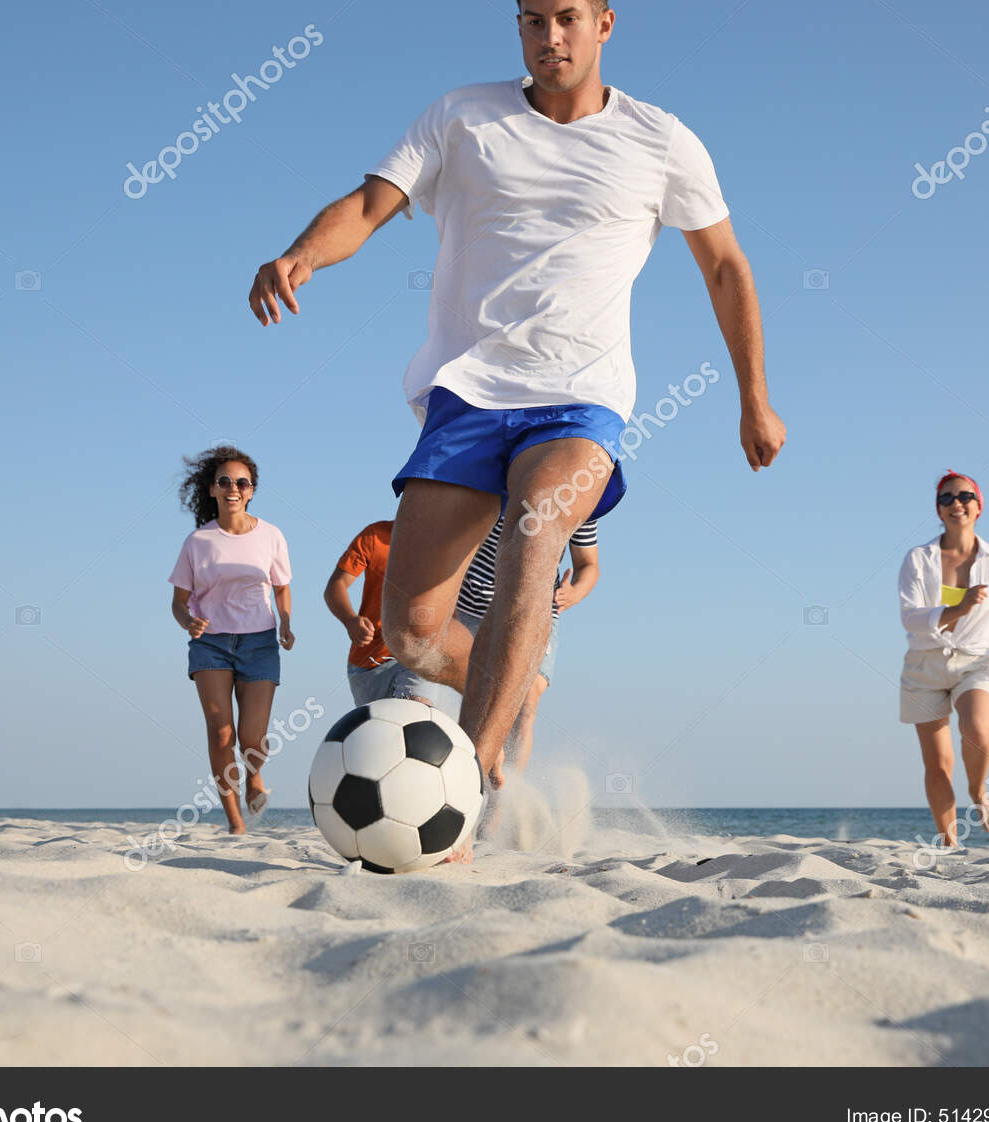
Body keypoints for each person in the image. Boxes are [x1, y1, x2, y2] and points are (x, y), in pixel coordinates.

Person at [248, 0, 785, 859]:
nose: (550, 37)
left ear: (606, 23)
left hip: (581, 398)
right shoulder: (462, 115)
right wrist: (301, 254)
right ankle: (515, 682)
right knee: (414, 629)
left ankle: (469, 764)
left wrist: (754, 398)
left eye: (568, 18)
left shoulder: (660, 139)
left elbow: (725, 266)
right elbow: (368, 203)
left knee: (538, 528)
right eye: (532, 20)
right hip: (466, 394)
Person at [898, 471, 989, 848]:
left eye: (964, 496)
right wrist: (957, 608)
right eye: (946, 499)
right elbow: (910, 617)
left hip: (976, 660)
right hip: (924, 665)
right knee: (938, 763)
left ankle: (978, 792)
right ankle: (950, 842)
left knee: (976, 731)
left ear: (979, 507)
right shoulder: (918, 558)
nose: (955, 503)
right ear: (938, 511)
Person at [168, 447, 294, 835]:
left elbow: (281, 588)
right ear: (212, 490)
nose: (233, 488)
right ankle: (235, 821)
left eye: (241, 482)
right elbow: (178, 603)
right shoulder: (197, 542)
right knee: (221, 732)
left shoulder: (271, 535)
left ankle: (255, 774)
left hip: (259, 643)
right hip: (211, 645)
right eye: (224, 482)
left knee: (251, 737)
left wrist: (285, 624)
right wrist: (188, 622)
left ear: (251, 491)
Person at [455, 514, 599, 777]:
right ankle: (469, 777)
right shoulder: (501, 480)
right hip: (471, 609)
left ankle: (504, 803)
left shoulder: (581, 503)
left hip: (537, 611)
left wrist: (575, 592)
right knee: (477, 699)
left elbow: (588, 564)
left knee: (526, 704)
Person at [325, 519, 441, 706]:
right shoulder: (375, 536)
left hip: (420, 654)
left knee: (415, 709)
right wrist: (350, 620)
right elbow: (335, 587)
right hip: (369, 663)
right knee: (379, 733)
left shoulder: (450, 541)